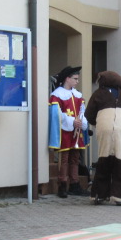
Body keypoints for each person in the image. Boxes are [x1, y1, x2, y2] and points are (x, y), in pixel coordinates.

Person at [84, 71, 121, 206]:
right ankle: (120, 196)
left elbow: (88, 114)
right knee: (120, 159)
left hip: (104, 128)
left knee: (103, 158)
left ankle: (99, 194)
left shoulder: (98, 94)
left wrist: (97, 123)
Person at [48, 66, 89, 198]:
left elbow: (82, 111)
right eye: (75, 79)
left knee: (75, 158)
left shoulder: (78, 95)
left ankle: (74, 184)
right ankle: (62, 184)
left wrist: (81, 122)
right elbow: (57, 114)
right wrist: (72, 121)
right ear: (67, 79)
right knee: (64, 159)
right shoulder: (57, 95)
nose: (77, 81)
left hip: (76, 131)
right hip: (65, 131)